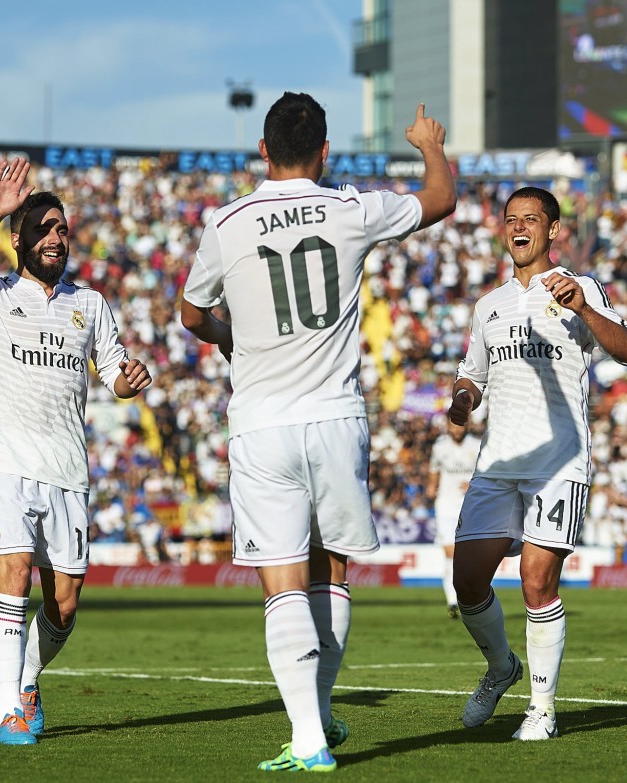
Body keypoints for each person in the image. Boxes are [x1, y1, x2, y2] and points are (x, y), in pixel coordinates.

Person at [180, 92, 455, 772]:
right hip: (334, 416)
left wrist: (229, 338)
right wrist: (427, 143)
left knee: (282, 583)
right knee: (331, 570)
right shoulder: (350, 207)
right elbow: (440, 198)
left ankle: (307, 737)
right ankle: (319, 717)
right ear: (326, 151)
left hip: (263, 422)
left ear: (263, 150)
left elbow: (190, 314)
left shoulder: (228, 221)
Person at [0, 157, 152, 746]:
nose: (56, 237)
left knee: (65, 602)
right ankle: (8, 713)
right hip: (6, 464)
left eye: (62, 229)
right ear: (19, 240)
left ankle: (27, 679)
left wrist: (130, 379)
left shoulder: (92, 305)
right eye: (44, 228)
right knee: (14, 577)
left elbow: (114, 376)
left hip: (67, 470)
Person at [447, 186, 627, 741]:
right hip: (498, 462)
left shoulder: (579, 290)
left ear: (553, 230)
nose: (518, 227)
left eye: (530, 219)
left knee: (537, 583)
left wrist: (582, 307)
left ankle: (542, 710)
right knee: (467, 582)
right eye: (511, 220)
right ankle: (502, 666)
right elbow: (473, 374)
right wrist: (463, 398)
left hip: (558, 463)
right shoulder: (490, 305)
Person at [427, 416, 480, 619]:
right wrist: (432, 486)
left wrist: (472, 484)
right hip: (446, 504)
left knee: (471, 554)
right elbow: (434, 470)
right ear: (448, 426)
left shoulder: (476, 445)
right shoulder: (439, 447)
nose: (457, 430)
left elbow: (486, 472)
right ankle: (452, 601)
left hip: (471, 504)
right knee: (450, 552)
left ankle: (472, 598)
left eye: (460, 426)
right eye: (453, 425)